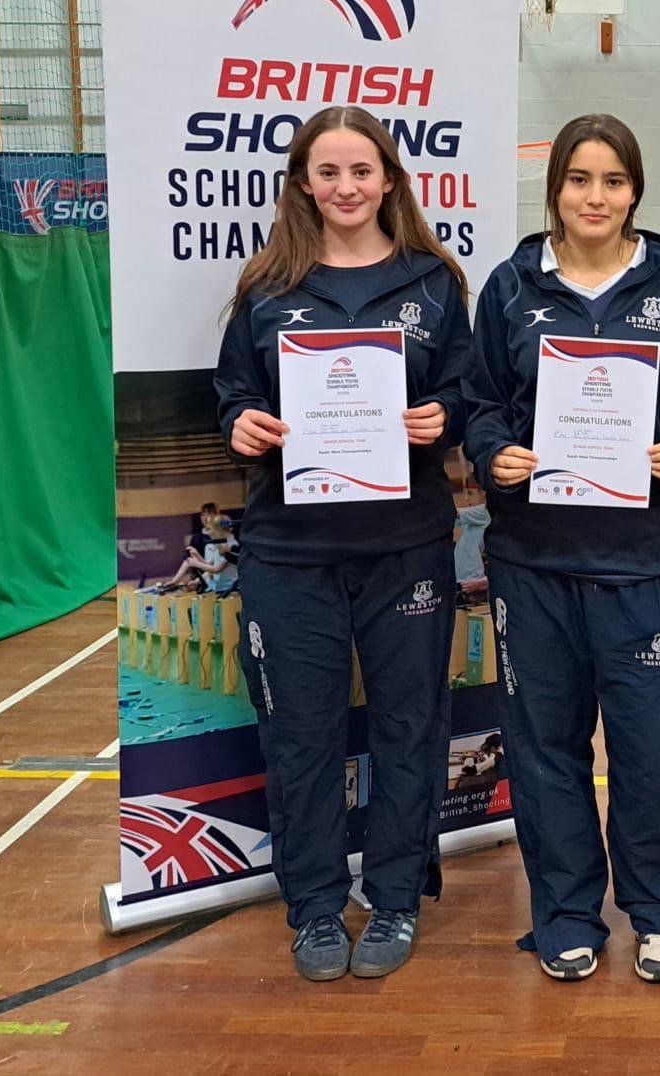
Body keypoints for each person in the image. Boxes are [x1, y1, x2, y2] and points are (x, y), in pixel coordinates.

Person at [463, 113, 660, 984]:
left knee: (655, 749)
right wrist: (492, 453)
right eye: (579, 179)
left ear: (634, 191)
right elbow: (480, 402)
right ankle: (567, 915)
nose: (595, 197)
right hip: (533, 561)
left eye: (612, 181)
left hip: (643, 560)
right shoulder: (511, 286)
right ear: (555, 189)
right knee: (545, 750)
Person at [214, 104, 471, 983]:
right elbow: (233, 394)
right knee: (301, 735)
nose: (346, 187)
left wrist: (443, 417)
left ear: (389, 179)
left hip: (406, 545)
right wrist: (242, 423)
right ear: (303, 184)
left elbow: (466, 392)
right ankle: (316, 908)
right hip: (290, 550)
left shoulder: (433, 282)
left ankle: (395, 896)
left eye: (362, 170)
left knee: (409, 726)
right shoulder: (266, 286)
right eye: (328, 172)